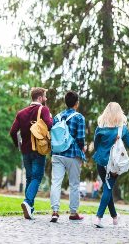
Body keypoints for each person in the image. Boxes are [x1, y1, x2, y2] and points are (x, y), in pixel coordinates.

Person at [9, 87, 53, 220]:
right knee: (37, 177)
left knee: (29, 177)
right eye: (45, 97)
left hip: (25, 150)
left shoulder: (21, 113)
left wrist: (19, 145)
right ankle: (27, 202)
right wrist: (51, 119)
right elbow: (50, 125)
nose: (46, 99)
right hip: (39, 149)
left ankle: (30, 208)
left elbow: (12, 132)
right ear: (40, 98)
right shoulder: (43, 109)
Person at [92, 102, 129, 228]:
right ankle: (98, 218)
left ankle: (115, 217)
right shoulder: (122, 129)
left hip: (100, 162)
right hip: (114, 164)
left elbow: (96, 145)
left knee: (107, 187)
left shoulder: (100, 128)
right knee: (108, 189)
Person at [50, 91, 86, 223]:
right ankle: (73, 212)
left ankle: (54, 211)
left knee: (56, 182)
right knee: (74, 184)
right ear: (76, 103)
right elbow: (81, 138)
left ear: (66, 102)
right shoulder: (79, 117)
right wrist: (83, 148)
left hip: (57, 153)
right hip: (72, 154)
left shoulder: (57, 117)